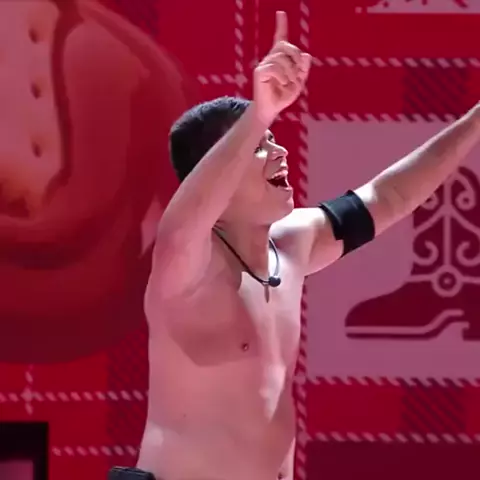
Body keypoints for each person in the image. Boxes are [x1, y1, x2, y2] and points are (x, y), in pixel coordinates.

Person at [133, 10, 480, 480]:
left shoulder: (292, 244)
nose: (279, 151)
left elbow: (389, 196)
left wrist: (476, 121)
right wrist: (259, 113)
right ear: (217, 176)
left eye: (272, 138)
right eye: (259, 145)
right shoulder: (188, 267)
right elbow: (181, 225)